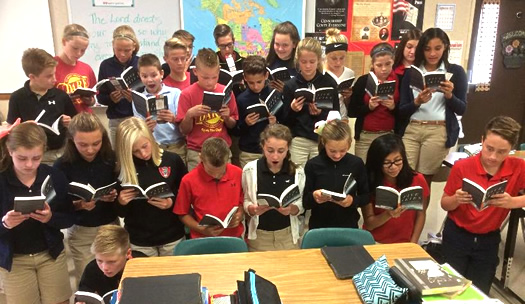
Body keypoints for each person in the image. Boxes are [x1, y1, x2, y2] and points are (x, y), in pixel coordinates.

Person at [441, 116, 525, 294]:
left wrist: (514, 202)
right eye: (489, 149)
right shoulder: (462, 167)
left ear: (512, 149)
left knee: (479, 290)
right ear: (481, 141)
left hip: (488, 239)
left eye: (502, 152)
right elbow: (445, 204)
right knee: (449, 288)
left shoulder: (518, 167)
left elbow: (516, 200)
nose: (493, 157)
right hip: (457, 235)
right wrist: (456, 199)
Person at [0, 122, 74, 304]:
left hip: (50, 254)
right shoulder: (2, 179)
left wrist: (50, 218)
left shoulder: (54, 176)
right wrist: (5, 223)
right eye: (22, 158)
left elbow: (69, 217)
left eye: (36, 158)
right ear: (10, 151)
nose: (29, 164)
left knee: (60, 301)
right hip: (15, 259)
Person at [53, 112, 119, 285]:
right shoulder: (62, 165)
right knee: (87, 280)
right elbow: (57, 207)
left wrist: (113, 195)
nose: (90, 150)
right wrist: (79, 205)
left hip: (109, 225)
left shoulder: (110, 158)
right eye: (82, 145)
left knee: (114, 279)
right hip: (81, 229)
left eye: (96, 143)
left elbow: (122, 188)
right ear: (71, 141)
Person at [398, 28, 468, 188]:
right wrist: (417, 101)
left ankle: (421, 214)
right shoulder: (412, 73)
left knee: (423, 182)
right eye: (427, 48)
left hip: (437, 130)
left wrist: (450, 95)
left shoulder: (455, 72)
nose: (432, 54)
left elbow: (462, 109)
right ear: (422, 49)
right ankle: (405, 213)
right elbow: (401, 110)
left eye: (437, 48)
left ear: (445, 47)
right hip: (412, 129)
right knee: (405, 177)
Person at [116, 117, 187, 256]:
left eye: (144, 146)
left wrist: (171, 202)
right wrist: (121, 202)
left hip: (172, 236)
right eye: (135, 151)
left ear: (151, 138)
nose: (143, 154)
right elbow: (120, 213)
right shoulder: (120, 169)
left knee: (176, 276)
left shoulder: (172, 160)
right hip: (140, 240)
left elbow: (186, 194)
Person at [7, 48, 77, 165]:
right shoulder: (17, 97)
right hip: (32, 156)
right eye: (49, 76)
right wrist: (22, 127)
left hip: (60, 152)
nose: (54, 79)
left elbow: (76, 122)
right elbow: (10, 129)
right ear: (32, 77)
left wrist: (70, 122)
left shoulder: (60, 95)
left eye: (54, 73)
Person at [242, 124, 305, 251]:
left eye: (281, 151)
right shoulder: (250, 169)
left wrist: (292, 209)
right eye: (270, 150)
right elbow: (246, 199)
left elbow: (302, 204)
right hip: (259, 238)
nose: (275, 156)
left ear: (288, 149)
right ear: (262, 147)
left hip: (287, 237)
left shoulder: (298, 171)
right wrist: (252, 209)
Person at [175, 48, 238, 171]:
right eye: (205, 77)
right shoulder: (187, 94)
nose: (210, 82)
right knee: (197, 188)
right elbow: (183, 130)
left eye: (214, 77)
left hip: (222, 149)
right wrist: (189, 115)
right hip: (197, 151)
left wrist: (227, 117)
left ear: (219, 71)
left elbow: (232, 124)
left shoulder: (226, 92)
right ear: (195, 72)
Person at [303, 114, 369, 229]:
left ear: (349, 144)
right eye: (332, 151)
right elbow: (305, 202)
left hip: (348, 225)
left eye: (342, 150)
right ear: (324, 143)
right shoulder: (313, 165)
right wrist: (314, 196)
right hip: (319, 226)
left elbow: (366, 196)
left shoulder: (356, 163)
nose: (337, 155)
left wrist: (353, 200)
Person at [282, 37, 340, 167]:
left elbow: (336, 115)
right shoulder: (290, 85)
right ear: (298, 61)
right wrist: (293, 110)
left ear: (319, 60)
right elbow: (284, 121)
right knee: (297, 173)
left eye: (312, 61)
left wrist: (321, 113)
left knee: (319, 173)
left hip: (321, 138)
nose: (308, 66)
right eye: (304, 62)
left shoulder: (329, 83)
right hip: (298, 139)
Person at [362, 133, 428, 243]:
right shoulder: (369, 181)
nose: (393, 167)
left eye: (398, 160)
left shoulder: (417, 179)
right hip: (375, 241)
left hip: (405, 242)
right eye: (386, 163)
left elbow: (421, 214)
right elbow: (369, 224)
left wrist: (413, 243)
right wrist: (388, 214)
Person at [174, 137, 244, 239]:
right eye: (211, 171)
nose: (216, 175)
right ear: (200, 158)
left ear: (228, 158)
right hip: (202, 238)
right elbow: (182, 213)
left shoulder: (238, 173)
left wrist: (239, 215)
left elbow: (242, 202)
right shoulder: (188, 180)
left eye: (221, 171)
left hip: (234, 236)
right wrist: (201, 229)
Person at [348, 43, 399, 163]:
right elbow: (352, 111)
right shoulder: (363, 81)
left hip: (389, 134)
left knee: (385, 170)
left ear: (393, 62)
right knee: (364, 172)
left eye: (388, 64)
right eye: (379, 65)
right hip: (366, 135)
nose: (384, 69)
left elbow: (404, 113)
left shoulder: (399, 81)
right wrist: (369, 107)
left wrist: (393, 107)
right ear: (372, 65)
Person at [133, 53, 186, 164]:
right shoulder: (138, 99)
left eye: (154, 75)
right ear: (139, 76)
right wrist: (146, 128)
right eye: (144, 76)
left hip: (176, 145)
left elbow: (184, 124)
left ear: (161, 74)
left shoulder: (175, 93)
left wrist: (173, 119)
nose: (150, 80)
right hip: (154, 147)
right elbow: (138, 131)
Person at [77, 225, 146, 302]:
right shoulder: (92, 269)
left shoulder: (143, 263)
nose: (104, 267)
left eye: (111, 262)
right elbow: (84, 294)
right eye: (99, 261)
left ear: (128, 253)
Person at [97, 25, 140, 147]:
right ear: (113, 46)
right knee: (119, 158)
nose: (122, 54)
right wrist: (111, 98)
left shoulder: (140, 63)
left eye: (127, 50)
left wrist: (134, 99)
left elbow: (149, 93)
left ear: (134, 47)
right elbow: (100, 97)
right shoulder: (105, 65)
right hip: (116, 120)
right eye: (118, 49)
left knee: (138, 154)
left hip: (137, 119)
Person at [235, 55, 279, 168]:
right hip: (249, 151)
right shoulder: (241, 99)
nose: (255, 86)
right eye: (251, 83)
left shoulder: (275, 94)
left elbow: (285, 121)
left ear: (266, 75)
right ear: (244, 78)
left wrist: (275, 123)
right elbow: (235, 130)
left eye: (259, 82)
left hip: (272, 151)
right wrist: (246, 123)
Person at [54, 24, 97, 113]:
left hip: (85, 119)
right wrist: (65, 99)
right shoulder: (51, 67)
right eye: (75, 48)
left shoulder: (86, 68)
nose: (78, 53)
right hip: (64, 120)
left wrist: (90, 100)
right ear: (64, 42)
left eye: (83, 50)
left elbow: (93, 100)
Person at [324, 28, 354, 120]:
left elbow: (349, 104)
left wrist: (348, 97)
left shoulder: (349, 73)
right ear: (326, 55)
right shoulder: (321, 72)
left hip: (342, 118)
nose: (338, 63)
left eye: (342, 58)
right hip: (324, 119)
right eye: (334, 58)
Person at [266, 21, 300, 92]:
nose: (280, 49)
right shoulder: (268, 63)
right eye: (277, 44)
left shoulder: (301, 66)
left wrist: (286, 90)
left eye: (285, 45)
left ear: (294, 44)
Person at [213, 24, 245, 96]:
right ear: (217, 44)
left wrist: (244, 86)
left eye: (229, 44)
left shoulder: (244, 62)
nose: (227, 49)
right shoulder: (212, 63)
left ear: (233, 40)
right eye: (222, 46)